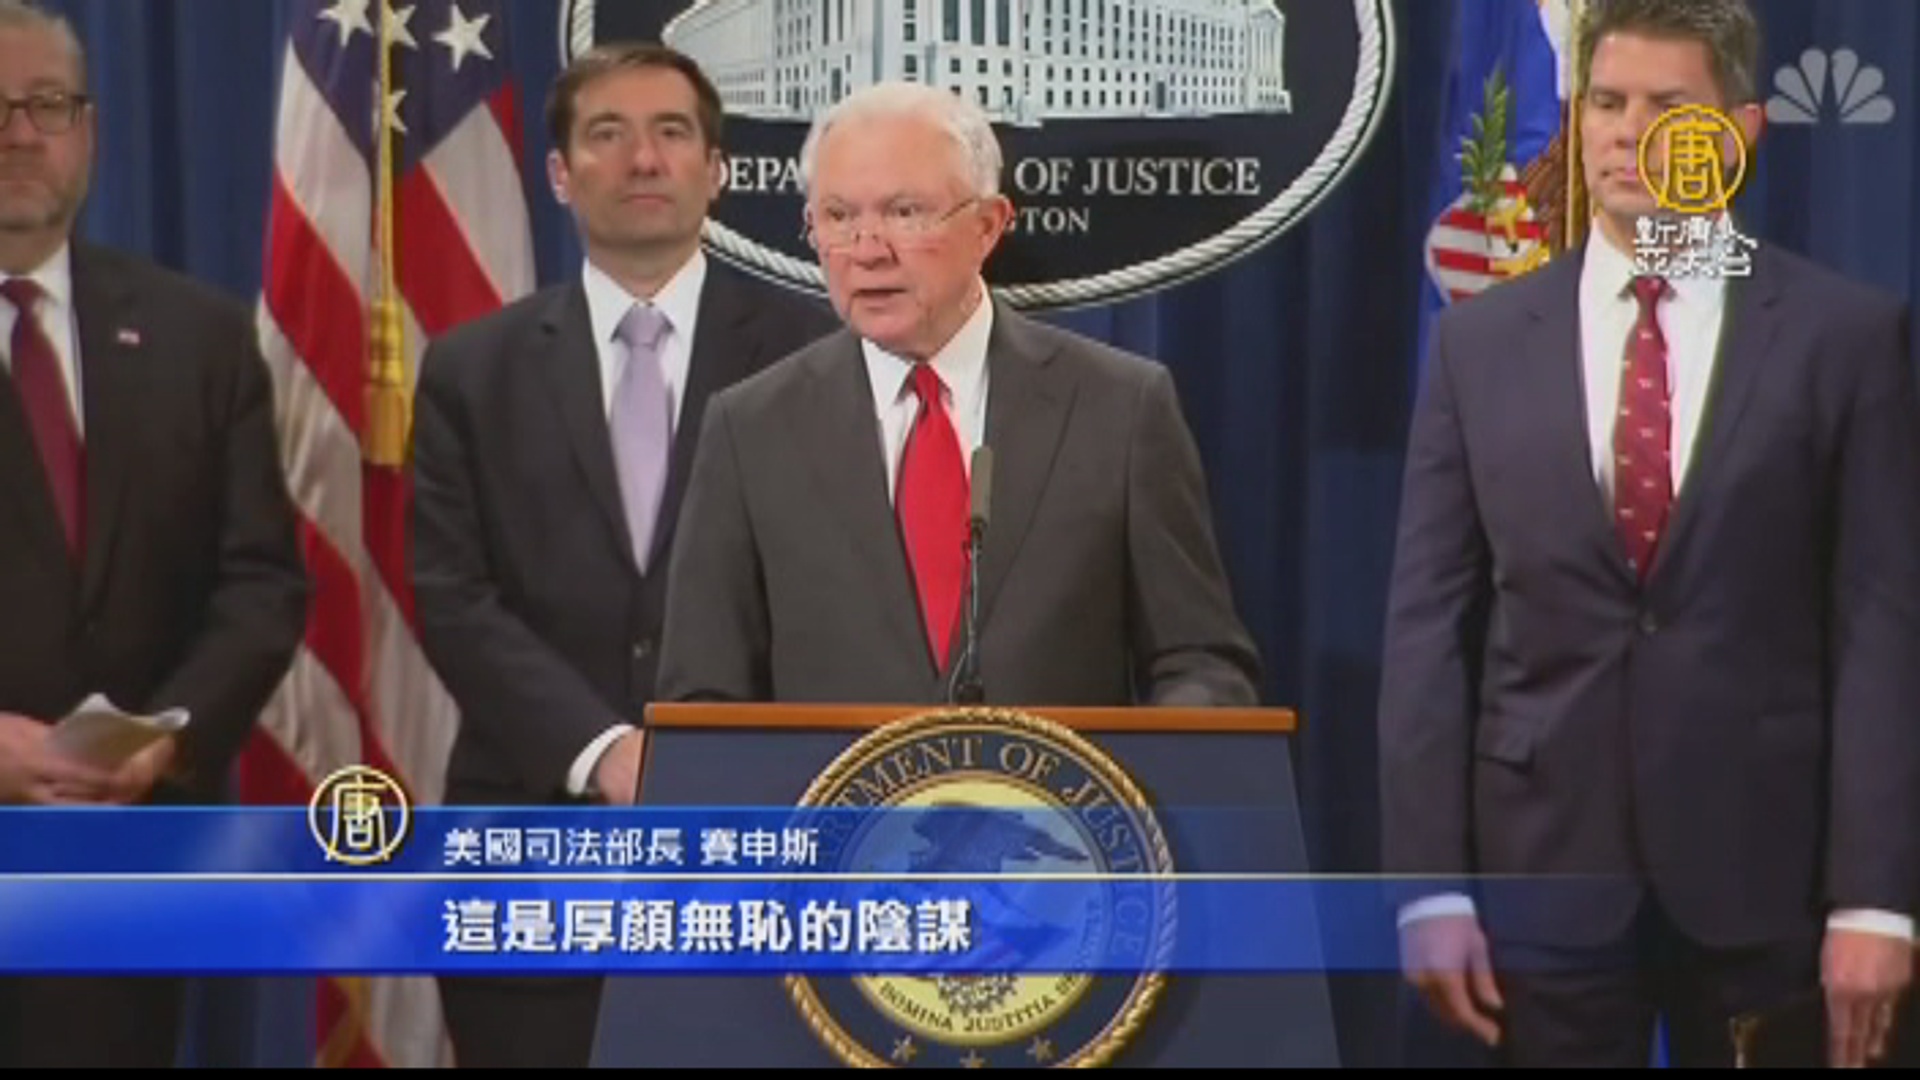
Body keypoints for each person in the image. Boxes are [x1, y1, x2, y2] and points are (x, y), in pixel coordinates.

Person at [1378, 0, 1920, 1068]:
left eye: (1668, 107)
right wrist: (1428, 887)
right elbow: (1430, 627)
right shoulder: (1479, 348)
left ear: (1742, 132)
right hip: (1542, 879)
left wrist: (1877, 898)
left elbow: (1880, 628)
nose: (1629, 134)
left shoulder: (1845, 339)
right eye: (1608, 103)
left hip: (1771, 880)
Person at [410, 43, 838, 1068]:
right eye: (608, 134)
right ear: (561, 175)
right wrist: (604, 751)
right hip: (529, 845)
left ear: (717, 170)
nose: (644, 159)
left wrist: (708, 754)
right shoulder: (473, 368)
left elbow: (837, 589)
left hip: (751, 846)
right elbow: (452, 596)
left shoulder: (817, 358)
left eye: (672, 132)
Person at [655, 81, 1259, 711]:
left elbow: (1202, 664)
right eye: (838, 217)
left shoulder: (1120, 409)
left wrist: (1148, 758)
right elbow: (703, 697)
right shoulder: (751, 429)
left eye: (905, 213)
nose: (868, 251)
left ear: (987, 227)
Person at [0, 0, 309, 1067]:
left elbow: (261, 583)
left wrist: (165, 736)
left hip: (119, 865)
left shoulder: (197, 335)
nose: (20, 135)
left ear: (89, 130)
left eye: (46, 105)